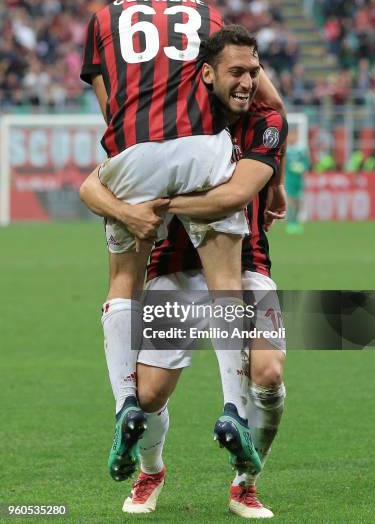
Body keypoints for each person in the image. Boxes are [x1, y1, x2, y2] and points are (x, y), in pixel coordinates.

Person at [80, 28, 288, 518]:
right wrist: (127, 212)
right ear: (207, 75)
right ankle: (152, 470)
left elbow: (234, 196)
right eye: (237, 73)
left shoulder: (267, 121)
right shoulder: (169, 121)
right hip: (173, 267)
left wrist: (161, 203)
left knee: (270, 373)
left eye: (254, 73)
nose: (247, 83)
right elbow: (92, 184)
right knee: (148, 394)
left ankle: (245, 481)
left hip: (246, 264)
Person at [80, 0, 264, 482]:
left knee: (122, 283)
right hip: (201, 146)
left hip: (135, 152)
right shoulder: (209, 18)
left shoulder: (102, 19)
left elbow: (108, 102)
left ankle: (125, 405)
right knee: (225, 280)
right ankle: (234, 408)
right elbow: (248, 84)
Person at [285, 125, 310, 234]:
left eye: (295, 135)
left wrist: (302, 167)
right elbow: (283, 163)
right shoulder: (285, 149)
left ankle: (296, 222)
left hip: (299, 180)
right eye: (291, 135)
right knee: (291, 201)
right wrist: (291, 167)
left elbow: (307, 162)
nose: (293, 137)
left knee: (299, 201)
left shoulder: (302, 149)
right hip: (289, 179)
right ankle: (290, 223)